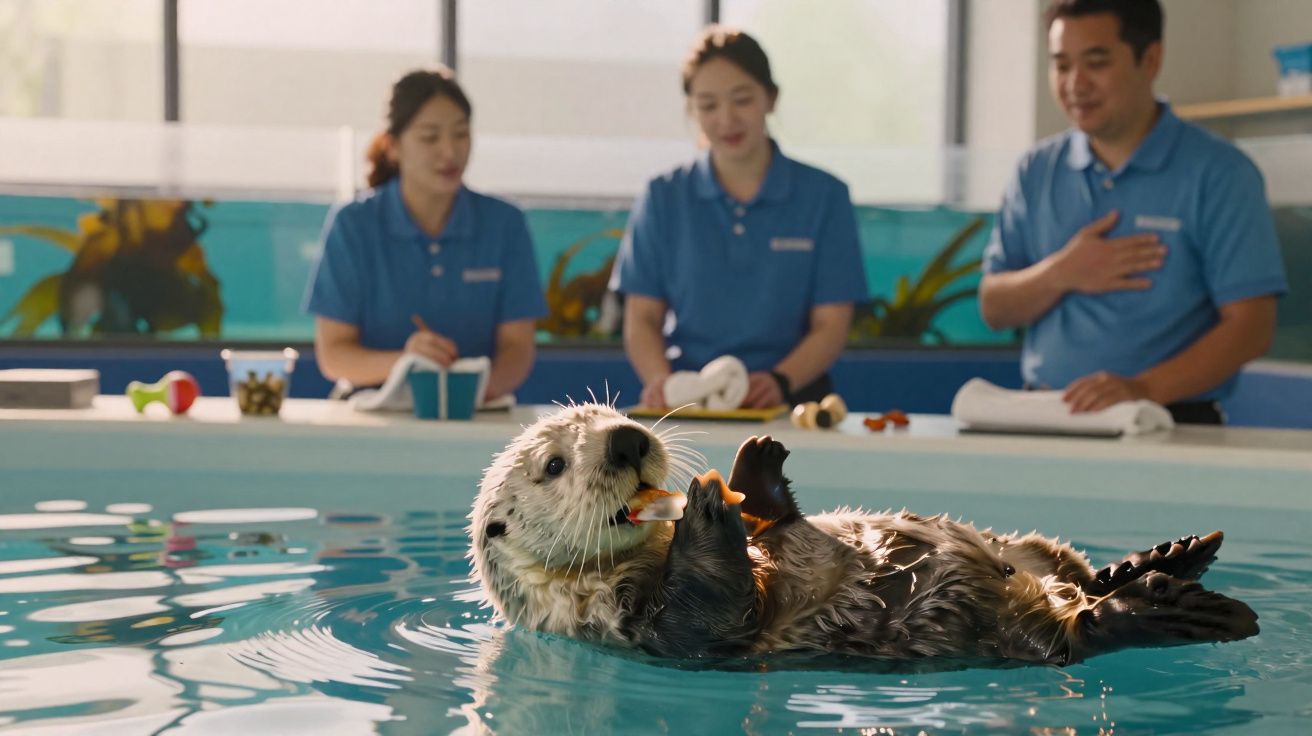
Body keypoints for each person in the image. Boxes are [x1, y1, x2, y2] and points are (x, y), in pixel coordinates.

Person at [979, 0, 1287, 424]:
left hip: (1170, 423)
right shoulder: (1036, 171)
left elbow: (1251, 327)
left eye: (1096, 62)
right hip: (1043, 419)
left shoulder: (1220, 173)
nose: (1075, 84)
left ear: (1151, 59)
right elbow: (994, 306)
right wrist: (1062, 272)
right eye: (1061, 65)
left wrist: (1142, 390)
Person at [611, 26, 868, 409]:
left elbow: (831, 324)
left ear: (772, 98)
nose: (726, 119)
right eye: (708, 105)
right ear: (692, 109)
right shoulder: (663, 197)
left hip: (792, 401)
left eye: (742, 100)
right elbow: (642, 318)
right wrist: (663, 384)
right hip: (689, 400)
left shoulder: (824, 196)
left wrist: (780, 381)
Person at [304, 67, 546, 402]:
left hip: (476, 415)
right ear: (393, 146)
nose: (449, 151)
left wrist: (468, 394)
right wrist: (408, 364)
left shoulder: (505, 223)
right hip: (370, 417)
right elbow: (333, 355)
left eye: (461, 134)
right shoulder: (353, 224)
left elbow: (517, 348)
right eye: (430, 137)